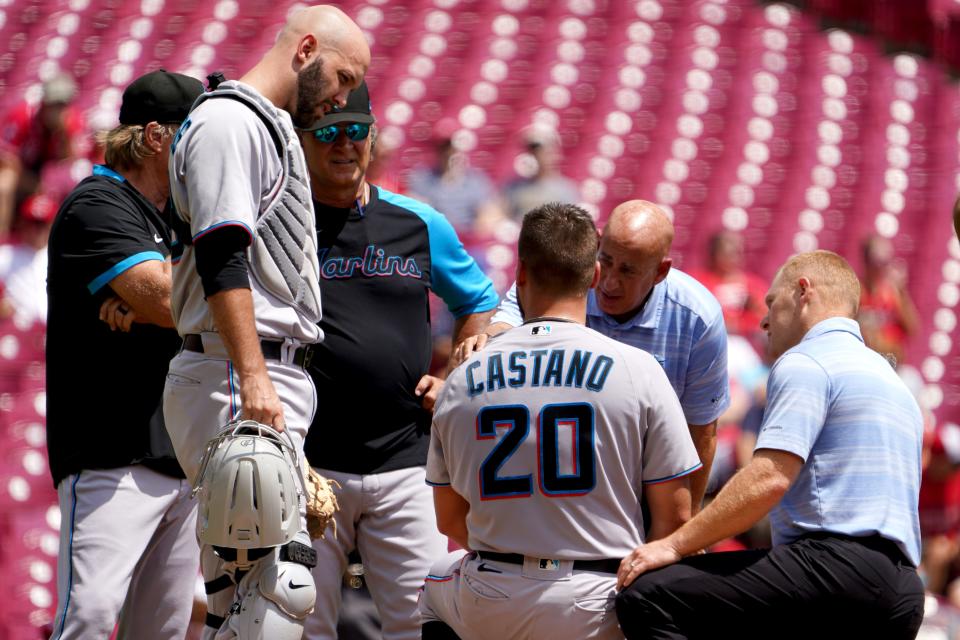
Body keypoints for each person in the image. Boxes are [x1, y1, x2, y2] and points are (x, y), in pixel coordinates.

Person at [162, 6, 370, 638]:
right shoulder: (231, 120)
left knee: (241, 595)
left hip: (256, 371)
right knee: (279, 590)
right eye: (341, 75)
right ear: (305, 48)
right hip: (240, 373)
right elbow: (220, 250)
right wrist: (254, 377)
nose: (343, 96)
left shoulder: (263, 123)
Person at [419, 202, 700, 640]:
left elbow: (450, 521)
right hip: (601, 599)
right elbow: (677, 516)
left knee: (434, 584)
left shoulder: (464, 375)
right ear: (591, 276)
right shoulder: (638, 368)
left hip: (493, 596)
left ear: (523, 275)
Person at [615, 250, 925, 640]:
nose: (763, 320)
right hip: (904, 591)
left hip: (834, 570)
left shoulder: (807, 360)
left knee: (647, 594)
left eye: (771, 302)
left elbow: (769, 478)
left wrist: (674, 545)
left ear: (802, 291)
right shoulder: (894, 381)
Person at [295, 81, 499, 640]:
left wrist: (458, 372)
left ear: (372, 138)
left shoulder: (418, 223)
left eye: (356, 131)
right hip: (310, 462)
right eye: (329, 133)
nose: (344, 145)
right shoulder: (284, 227)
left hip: (406, 460)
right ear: (303, 141)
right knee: (300, 624)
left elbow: (481, 300)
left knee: (423, 624)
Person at [45, 69, 204, 640]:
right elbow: (167, 300)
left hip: (180, 454)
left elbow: (173, 299)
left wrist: (155, 302)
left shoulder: (181, 217)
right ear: (158, 136)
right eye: (195, 130)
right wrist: (161, 301)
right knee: (86, 618)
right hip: (110, 453)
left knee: (161, 632)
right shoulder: (99, 201)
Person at [458, 200, 729, 511]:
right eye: (607, 260)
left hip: (646, 477)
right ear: (598, 243)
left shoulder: (697, 318)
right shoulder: (574, 274)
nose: (609, 281)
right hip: (561, 473)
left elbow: (702, 432)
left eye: (628, 270)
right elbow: (512, 314)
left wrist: (683, 530)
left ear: (660, 272)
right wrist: (484, 344)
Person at [406, 119, 506, 236]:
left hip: (469, 241)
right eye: (445, 148)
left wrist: (478, 228)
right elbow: (415, 213)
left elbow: (490, 215)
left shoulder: (476, 180)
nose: (450, 153)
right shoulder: (422, 178)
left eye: (454, 148)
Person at [857, 233, 919, 366]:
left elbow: (912, 328)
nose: (882, 267)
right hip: (865, 361)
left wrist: (902, 292)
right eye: (878, 261)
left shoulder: (892, 292)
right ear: (866, 260)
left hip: (892, 363)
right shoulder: (856, 292)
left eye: (886, 261)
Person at [0, 193, 58, 325]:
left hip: (54, 333)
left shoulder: (62, 257)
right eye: (31, 223)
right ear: (22, 223)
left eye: (41, 224)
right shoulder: (6, 255)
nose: (36, 230)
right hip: (19, 333)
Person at [501, 123, 579, 220]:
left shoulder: (565, 190)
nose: (535, 155)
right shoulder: (513, 187)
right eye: (531, 150)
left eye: (540, 150)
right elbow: (498, 215)